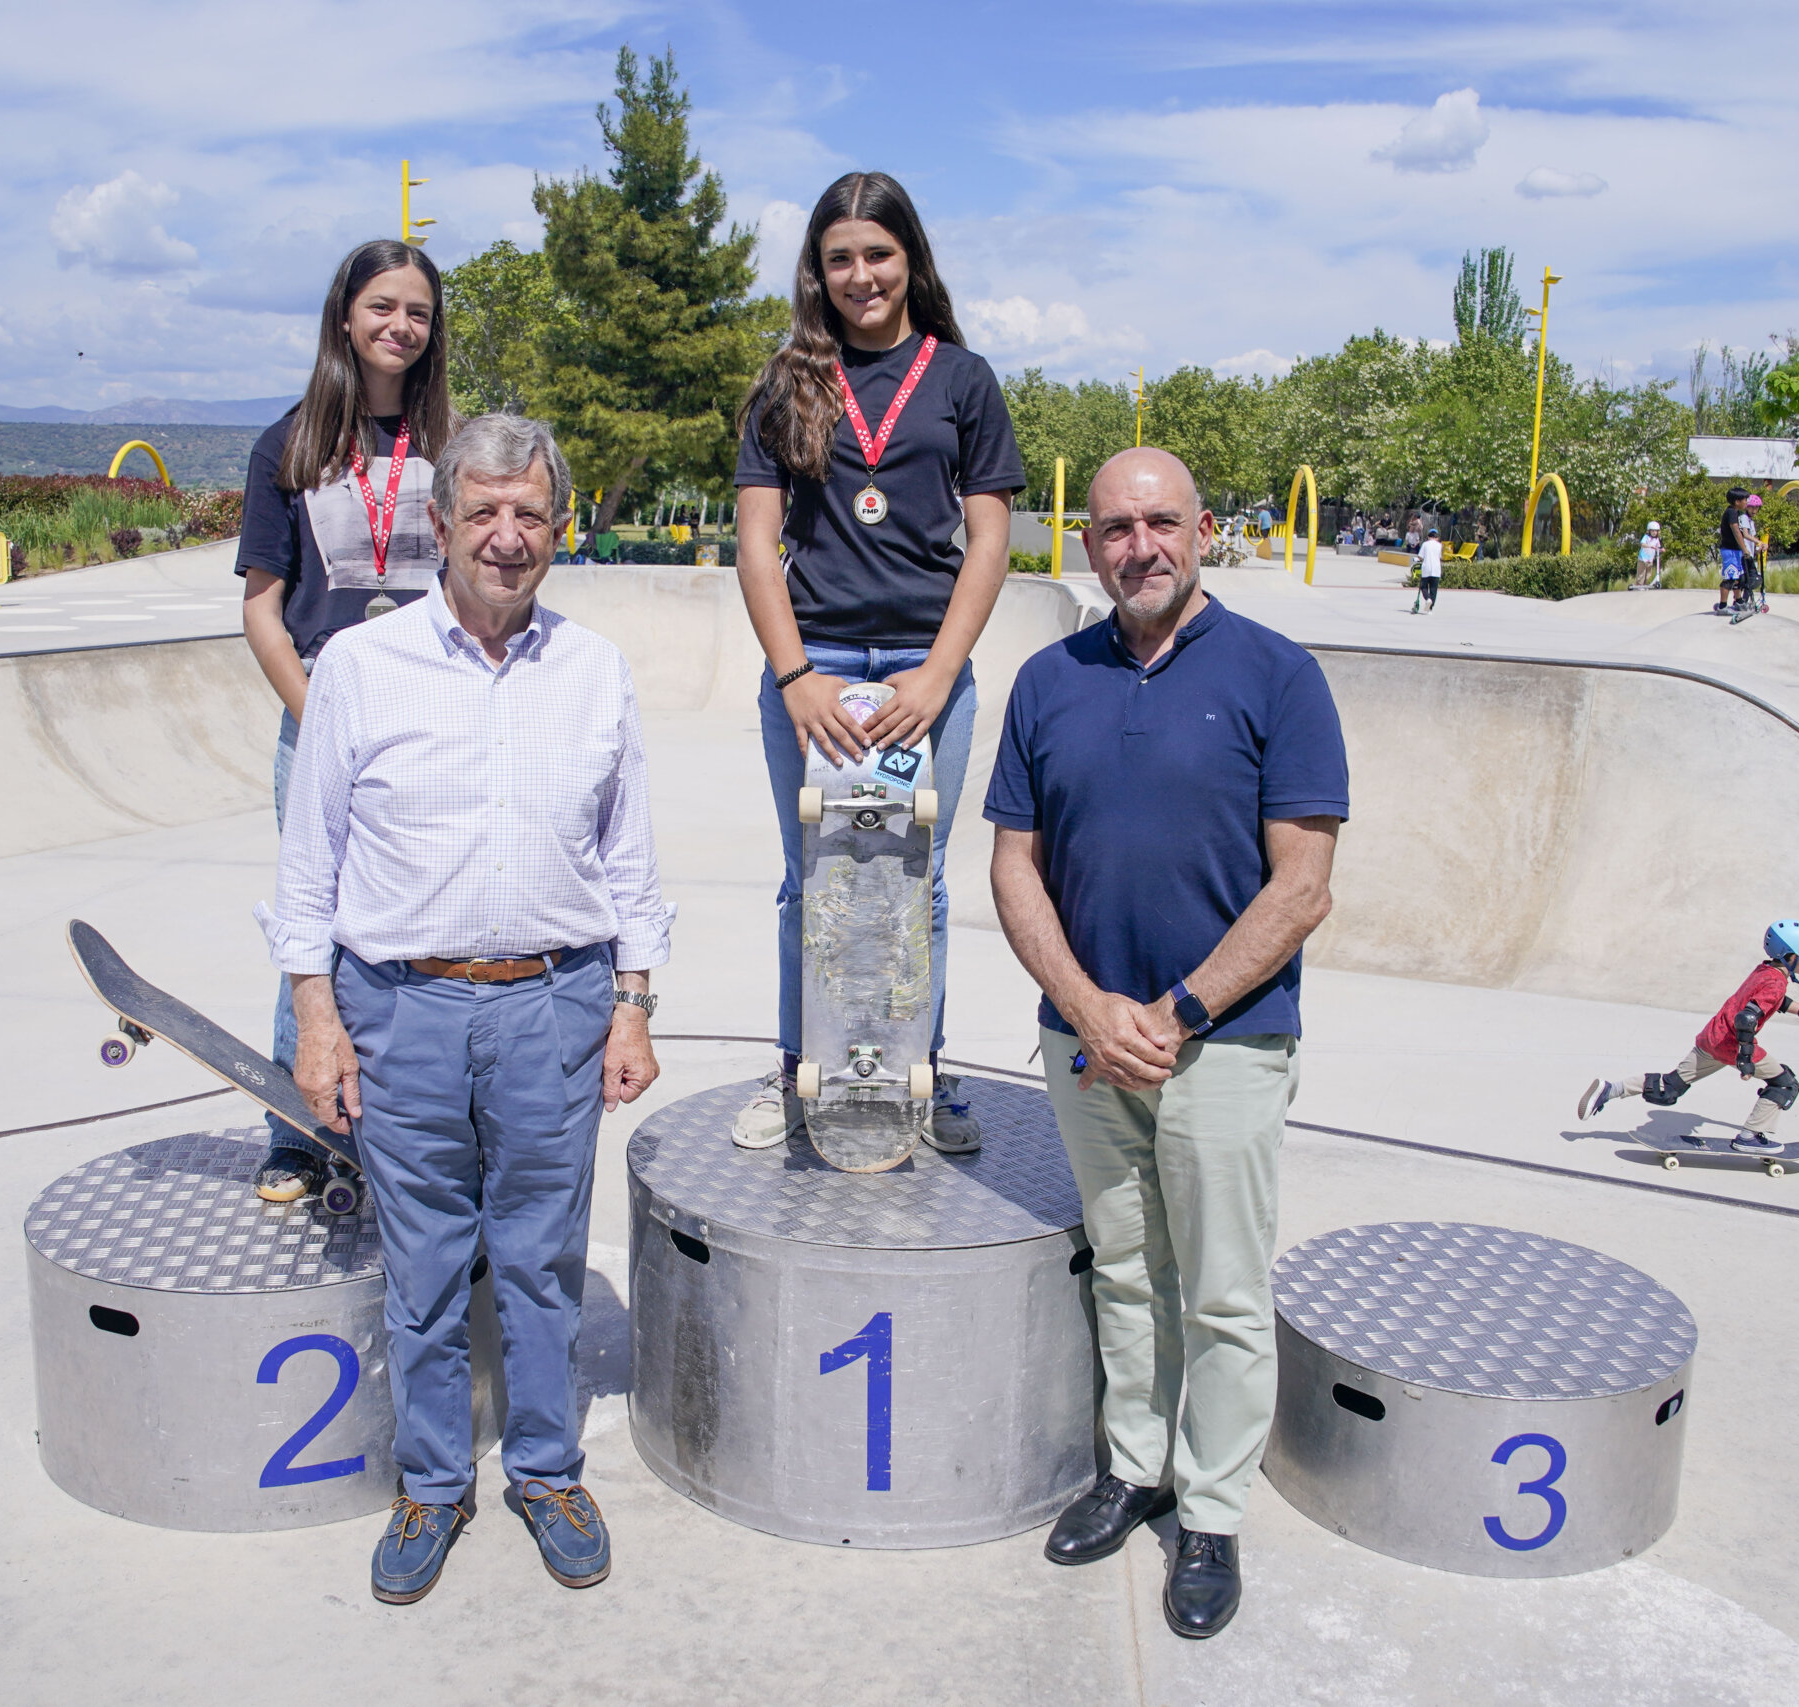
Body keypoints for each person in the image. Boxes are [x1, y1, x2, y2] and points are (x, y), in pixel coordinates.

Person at [270, 414, 668, 1604]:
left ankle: (545, 1470)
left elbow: (629, 857)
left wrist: (635, 1002)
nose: (506, 538)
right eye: (483, 513)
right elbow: (308, 866)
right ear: (437, 526)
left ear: (558, 528)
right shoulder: (358, 666)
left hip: (558, 1004)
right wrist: (315, 1018)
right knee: (427, 1267)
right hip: (403, 1013)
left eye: (529, 516)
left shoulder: (594, 670)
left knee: (542, 1260)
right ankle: (432, 1485)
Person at [987, 446, 1348, 1640]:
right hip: (1086, 1041)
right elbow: (1012, 866)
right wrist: (1092, 1009)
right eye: (1110, 529)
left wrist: (1181, 1011)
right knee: (1130, 1267)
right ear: (1084, 545)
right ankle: (1135, 1467)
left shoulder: (1276, 675)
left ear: (1201, 531)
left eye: (1158, 523)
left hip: (1227, 1043)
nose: (1135, 546)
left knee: (1227, 1294)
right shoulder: (1048, 679)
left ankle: (1211, 1512)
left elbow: (1301, 886)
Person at [730, 170, 1025, 1155]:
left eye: (878, 254)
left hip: (918, 672)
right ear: (818, 268)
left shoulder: (961, 380)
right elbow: (756, 541)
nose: (861, 275)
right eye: (840, 256)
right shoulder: (785, 382)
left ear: (910, 260)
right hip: (814, 669)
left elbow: (988, 540)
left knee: (916, 884)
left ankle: (919, 1078)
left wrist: (940, 675)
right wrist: (793, 678)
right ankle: (794, 1068)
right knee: (808, 879)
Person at [239, 239, 454, 1205]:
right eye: (381, 307)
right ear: (344, 317)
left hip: (434, 716)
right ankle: (297, 1125)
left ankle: (408, 1113)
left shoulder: (450, 449)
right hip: (321, 705)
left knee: (422, 914)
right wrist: (318, 716)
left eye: (416, 311)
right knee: (313, 921)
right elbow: (262, 605)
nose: (398, 327)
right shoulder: (287, 448)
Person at [1576, 920, 1799, 1156]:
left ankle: (1610, 1089)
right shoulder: (1776, 982)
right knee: (1785, 1084)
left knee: (1668, 1088)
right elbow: (1747, 1020)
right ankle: (1750, 1137)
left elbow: (1773, 1002)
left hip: (1712, 1038)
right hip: (1733, 1045)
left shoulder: (1765, 971)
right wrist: (1746, 1060)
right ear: (1791, 956)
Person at [1714, 486, 1754, 614]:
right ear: (1737, 501)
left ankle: (1739, 601)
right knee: (1730, 577)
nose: (1747, 503)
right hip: (1730, 550)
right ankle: (1722, 606)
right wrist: (1745, 549)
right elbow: (1736, 531)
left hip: (1735, 550)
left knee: (1738, 577)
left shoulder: (1736, 513)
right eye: (1745, 500)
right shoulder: (1731, 512)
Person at [1411, 515, 1443, 614]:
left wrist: (1416, 559)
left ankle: (1428, 599)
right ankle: (1430, 609)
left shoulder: (1425, 544)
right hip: (1436, 570)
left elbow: (1421, 557)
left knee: (1424, 587)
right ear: (1437, 537)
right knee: (1434, 589)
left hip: (1426, 569)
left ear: (1429, 536)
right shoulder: (1439, 546)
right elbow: (1440, 557)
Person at [1633, 520, 1665, 590]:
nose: (1654, 532)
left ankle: (1644, 585)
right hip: (1643, 558)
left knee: (1648, 574)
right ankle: (1639, 585)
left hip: (1650, 559)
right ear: (1649, 531)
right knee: (1641, 573)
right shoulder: (1646, 537)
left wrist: (1661, 550)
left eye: (1655, 531)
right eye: (1652, 531)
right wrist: (1650, 546)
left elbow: (1657, 547)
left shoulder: (1657, 539)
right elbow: (1642, 544)